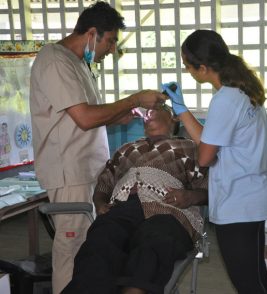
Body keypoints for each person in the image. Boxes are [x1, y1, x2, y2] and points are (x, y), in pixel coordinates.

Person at [29, 2, 167, 293]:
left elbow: (93, 116)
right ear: (92, 33)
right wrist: (132, 100)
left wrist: (125, 114)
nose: (112, 49)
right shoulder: (55, 61)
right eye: (111, 41)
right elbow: (84, 118)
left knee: (91, 249)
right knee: (71, 247)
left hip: (90, 170)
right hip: (70, 173)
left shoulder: (80, 63)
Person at [162, 29, 267, 294]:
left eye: (188, 65)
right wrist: (181, 110)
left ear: (203, 67)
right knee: (257, 275)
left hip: (238, 203)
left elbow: (205, 155)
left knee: (247, 282)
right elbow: (210, 138)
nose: (187, 70)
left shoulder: (225, 99)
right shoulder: (242, 90)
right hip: (254, 197)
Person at [61, 106, 208, 294]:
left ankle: (135, 290)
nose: (150, 111)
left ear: (174, 119)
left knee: (155, 239)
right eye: (147, 109)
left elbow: (210, 189)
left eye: (159, 108)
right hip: (123, 207)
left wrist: (190, 196)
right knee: (101, 238)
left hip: (169, 210)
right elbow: (105, 183)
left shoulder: (190, 147)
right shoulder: (125, 150)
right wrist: (100, 203)